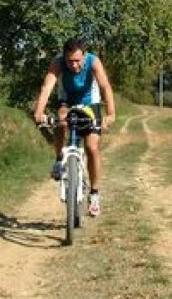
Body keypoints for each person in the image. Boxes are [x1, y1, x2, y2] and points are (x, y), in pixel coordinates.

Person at [32, 38, 116, 216]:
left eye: (78, 60)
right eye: (70, 61)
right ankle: (58, 160)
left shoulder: (93, 61)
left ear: (84, 56)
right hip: (67, 100)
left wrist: (110, 114)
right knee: (61, 121)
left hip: (90, 103)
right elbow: (47, 87)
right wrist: (39, 112)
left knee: (92, 147)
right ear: (64, 57)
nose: (74, 65)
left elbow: (105, 86)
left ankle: (94, 194)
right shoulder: (57, 62)